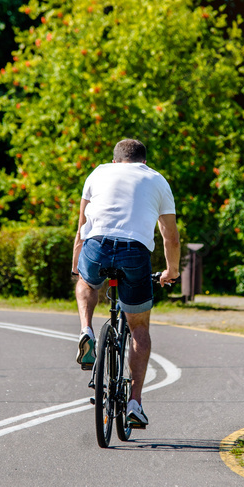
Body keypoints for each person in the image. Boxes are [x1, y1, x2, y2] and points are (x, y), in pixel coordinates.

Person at [71, 138, 180, 428]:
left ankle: (86, 331)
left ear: (116, 160)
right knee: (139, 329)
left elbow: (81, 227)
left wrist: (76, 268)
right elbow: (170, 236)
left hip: (97, 245)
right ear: (144, 161)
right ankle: (135, 402)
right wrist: (171, 271)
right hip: (135, 252)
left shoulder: (98, 172)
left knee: (86, 284)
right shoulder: (157, 179)